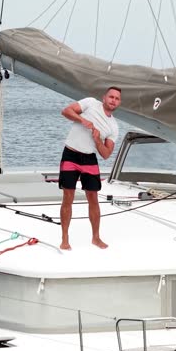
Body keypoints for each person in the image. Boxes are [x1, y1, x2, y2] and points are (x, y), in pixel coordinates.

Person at [58, 87, 121, 250]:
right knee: (68, 196)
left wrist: (98, 140)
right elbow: (66, 111)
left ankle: (96, 238)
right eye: (111, 97)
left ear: (119, 103)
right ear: (104, 98)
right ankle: (65, 239)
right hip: (71, 154)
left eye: (117, 99)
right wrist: (82, 120)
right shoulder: (90, 103)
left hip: (89, 158)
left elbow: (106, 154)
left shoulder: (113, 127)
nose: (113, 100)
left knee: (93, 198)